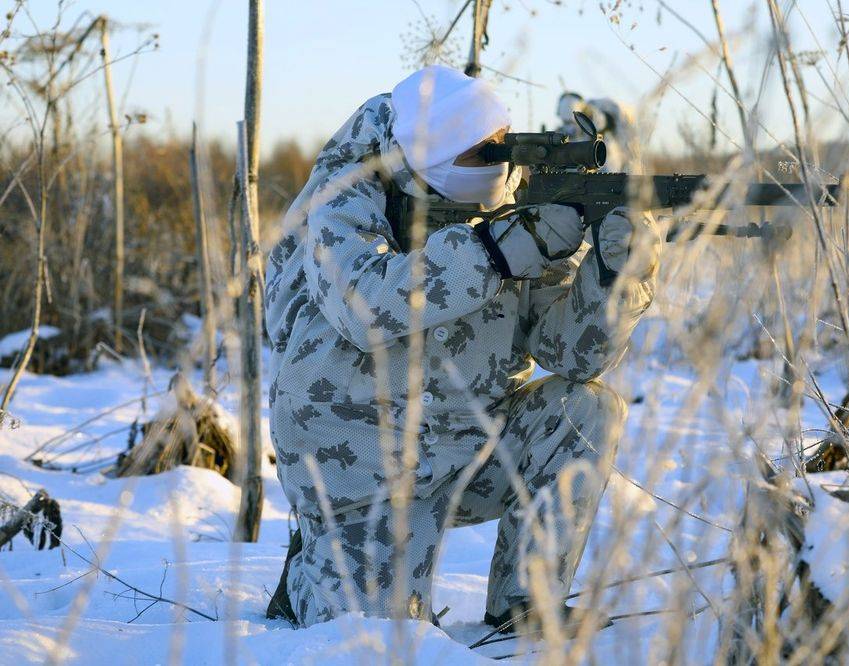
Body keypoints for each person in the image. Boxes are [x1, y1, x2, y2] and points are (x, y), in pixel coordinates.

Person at [263, 65, 659, 633]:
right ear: (429, 155)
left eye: (503, 147)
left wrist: (616, 276)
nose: (498, 164)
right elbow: (364, 305)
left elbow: (573, 356)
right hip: (359, 463)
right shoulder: (342, 199)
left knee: (587, 408)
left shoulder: (518, 196)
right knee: (379, 638)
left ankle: (526, 605)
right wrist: (500, 251)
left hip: (467, 445)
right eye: (481, 153)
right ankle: (311, 567)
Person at [556, 91, 637, 172]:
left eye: (571, 122)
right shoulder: (562, 133)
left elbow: (603, 122)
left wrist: (594, 117)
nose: (570, 128)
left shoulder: (603, 109)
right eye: (566, 122)